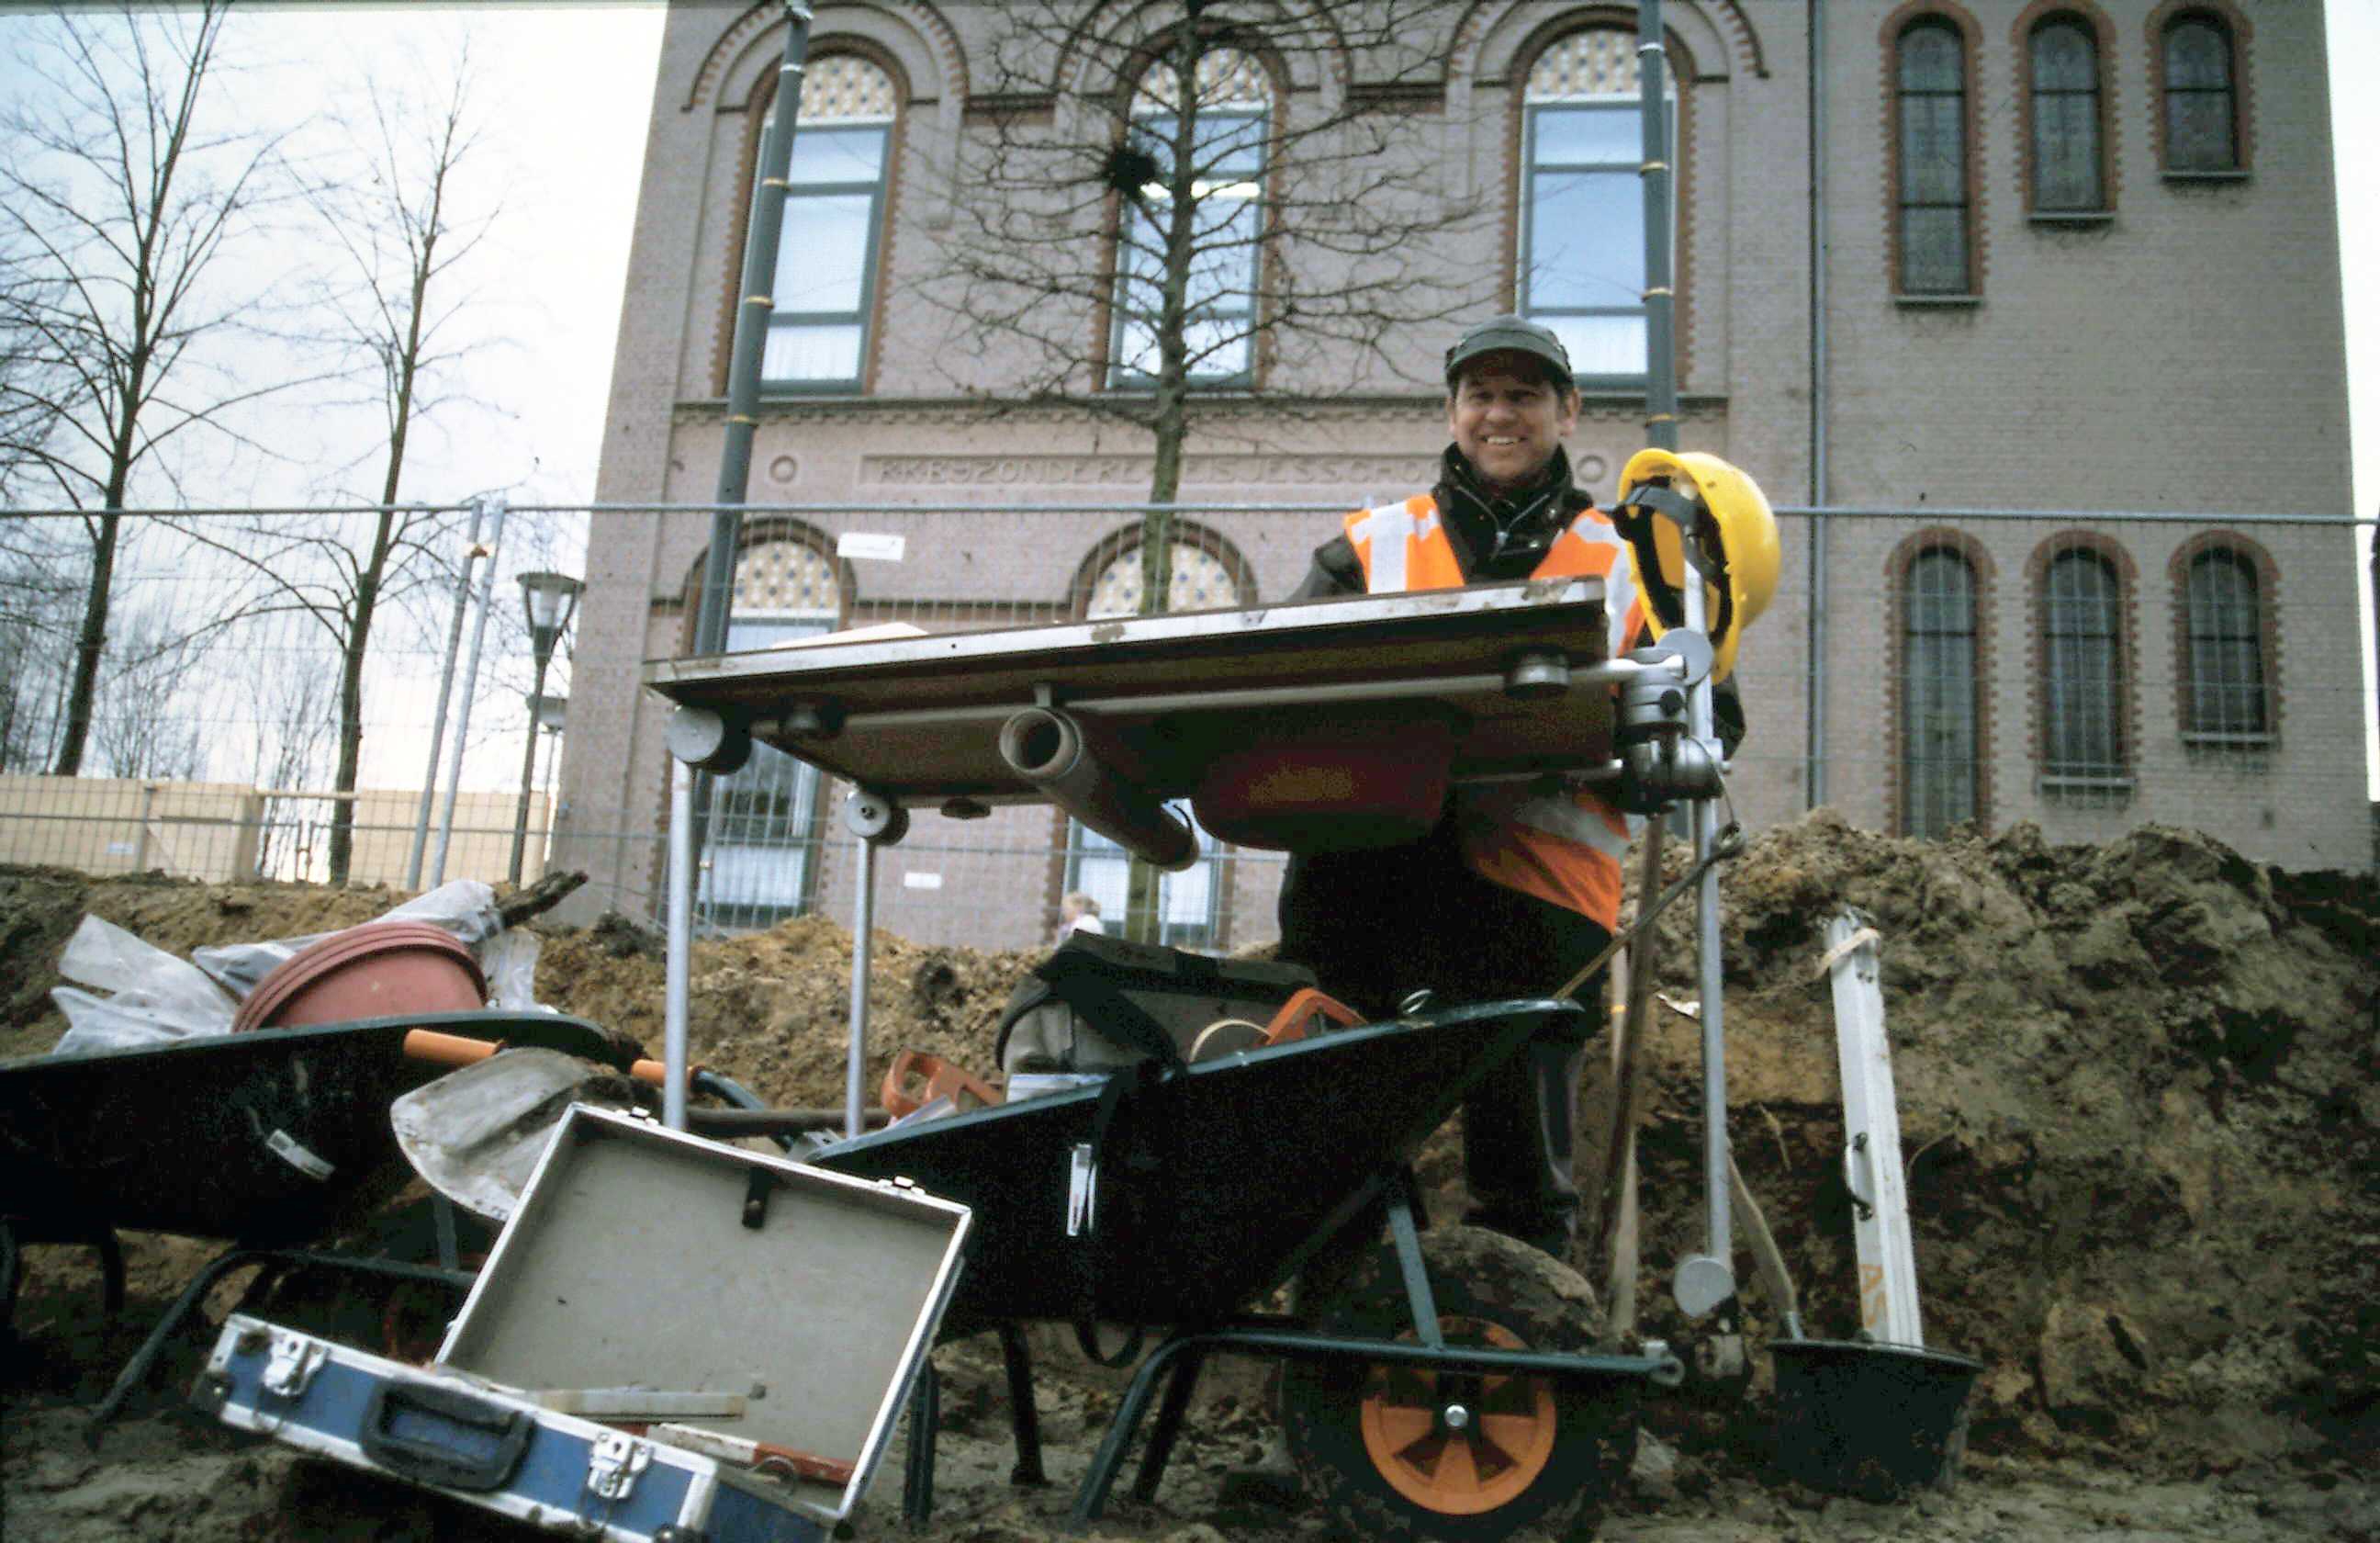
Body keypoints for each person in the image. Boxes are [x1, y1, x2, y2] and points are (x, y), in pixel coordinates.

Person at [1274, 314, 1704, 1261]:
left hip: (1536, 912)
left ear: (1568, 412)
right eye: (1481, 395)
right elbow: (1274, 690)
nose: (1499, 414)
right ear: (1452, 410)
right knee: (1345, 1147)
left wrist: (1621, 741)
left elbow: (1713, 726)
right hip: (1366, 898)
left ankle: (1521, 1339)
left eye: (1523, 396)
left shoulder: (1631, 561)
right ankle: (1354, 1346)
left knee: (1523, 1176)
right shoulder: (1368, 548)